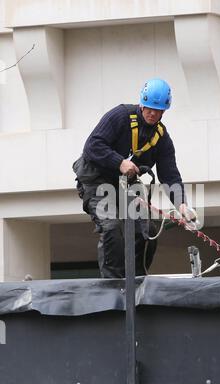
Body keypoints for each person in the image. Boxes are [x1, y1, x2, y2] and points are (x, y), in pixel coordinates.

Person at [73, 78, 191, 278]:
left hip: (124, 186)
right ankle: (113, 284)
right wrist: (119, 162)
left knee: (146, 233)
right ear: (142, 103)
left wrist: (181, 205)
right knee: (111, 228)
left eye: (158, 110)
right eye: (149, 108)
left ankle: (136, 281)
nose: (152, 113)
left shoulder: (161, 138)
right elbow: (93, 145)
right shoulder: (120, 116)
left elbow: (169, 174)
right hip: (96, 181)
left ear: (164, 111)